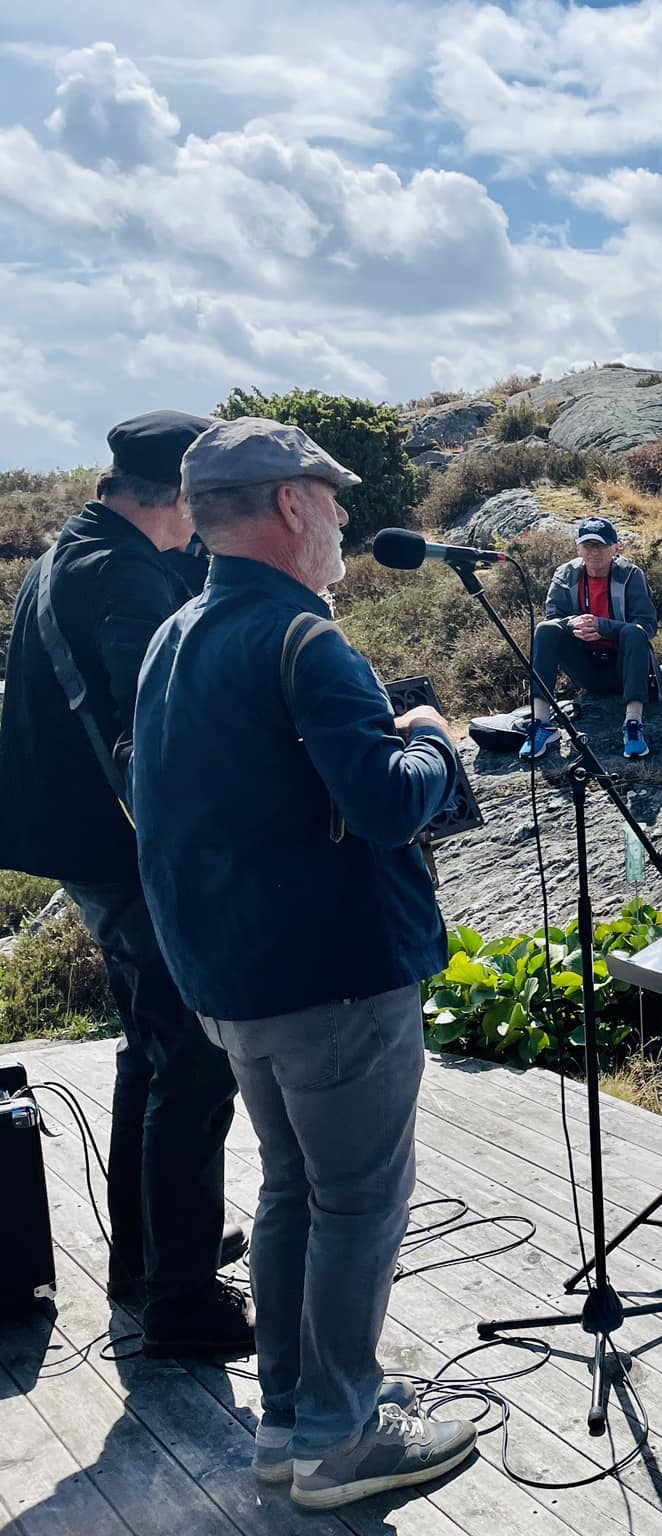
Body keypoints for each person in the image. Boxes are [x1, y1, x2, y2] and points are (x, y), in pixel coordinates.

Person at [131, 418, 475, 1508]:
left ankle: (287, 1422)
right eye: (329, 498)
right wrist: (434, 741)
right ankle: (337, 1440)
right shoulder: (305, 641)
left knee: (294, 1190)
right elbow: (383, 805)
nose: (340, 517)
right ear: (288, 504)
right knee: (360, 1204)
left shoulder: (174, 636)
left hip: (232, 982)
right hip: (335, 979)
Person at [0, 409, 249, 1358]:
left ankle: (150, 1256)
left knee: (150, 1050)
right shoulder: (121, 576)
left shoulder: (73, 549)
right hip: (129, 851)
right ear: (180, 496)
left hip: (87, 845)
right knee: (193, 1059)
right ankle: (182, 1301)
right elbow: (155, 728)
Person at [519, 515, 658, 761]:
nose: (594, 552)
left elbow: (647, 626)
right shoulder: (565, 575)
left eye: (601, 545)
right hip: (587, 670)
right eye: (588, 545)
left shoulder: (631, 575)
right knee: (545, 629)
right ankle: (541, 724)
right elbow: (554, 618)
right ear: (578, 548)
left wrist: (604, 627)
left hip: (625, 671)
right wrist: (574, 624)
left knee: (634, 632)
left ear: (616, 548)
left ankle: (633, 724)